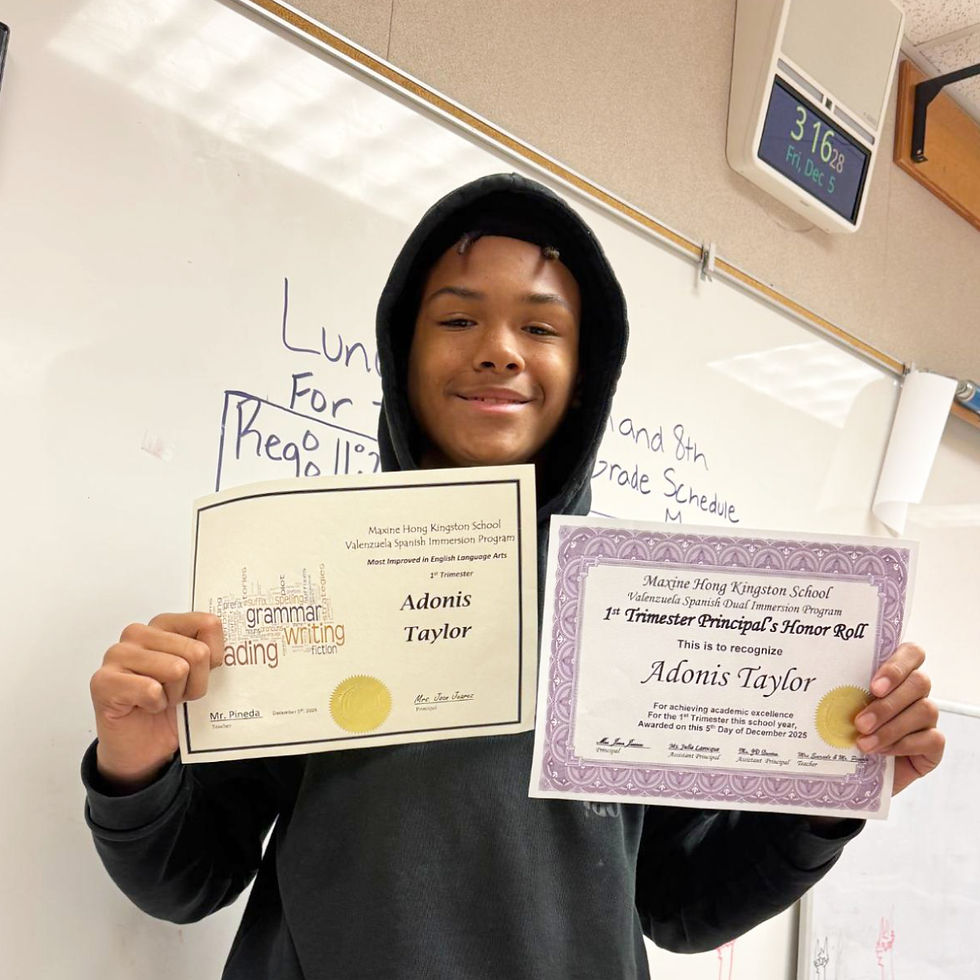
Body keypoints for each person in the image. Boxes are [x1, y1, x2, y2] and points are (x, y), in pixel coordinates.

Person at [84, 174, 944, 979]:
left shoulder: (641, 602)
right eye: (458, 319)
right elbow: (189, 880)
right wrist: (137, 765)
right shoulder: (303, 567)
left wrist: (827, 796)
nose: (499, 351)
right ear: (401, 351)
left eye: (540, 328)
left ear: (586, 372)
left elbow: (680, 906)